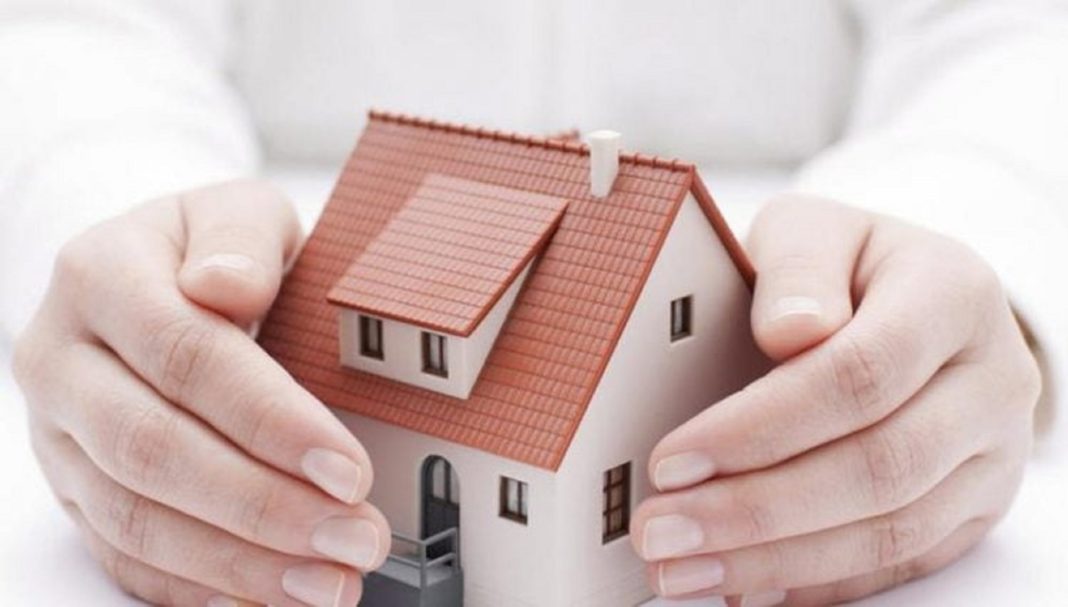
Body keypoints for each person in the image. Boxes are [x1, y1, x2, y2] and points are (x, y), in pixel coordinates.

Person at [2, 2, 1064, 606]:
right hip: (312, 251)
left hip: (789, 249)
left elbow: (1013, 31)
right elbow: (75, 28)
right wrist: (126, 225)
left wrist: (958, 249)